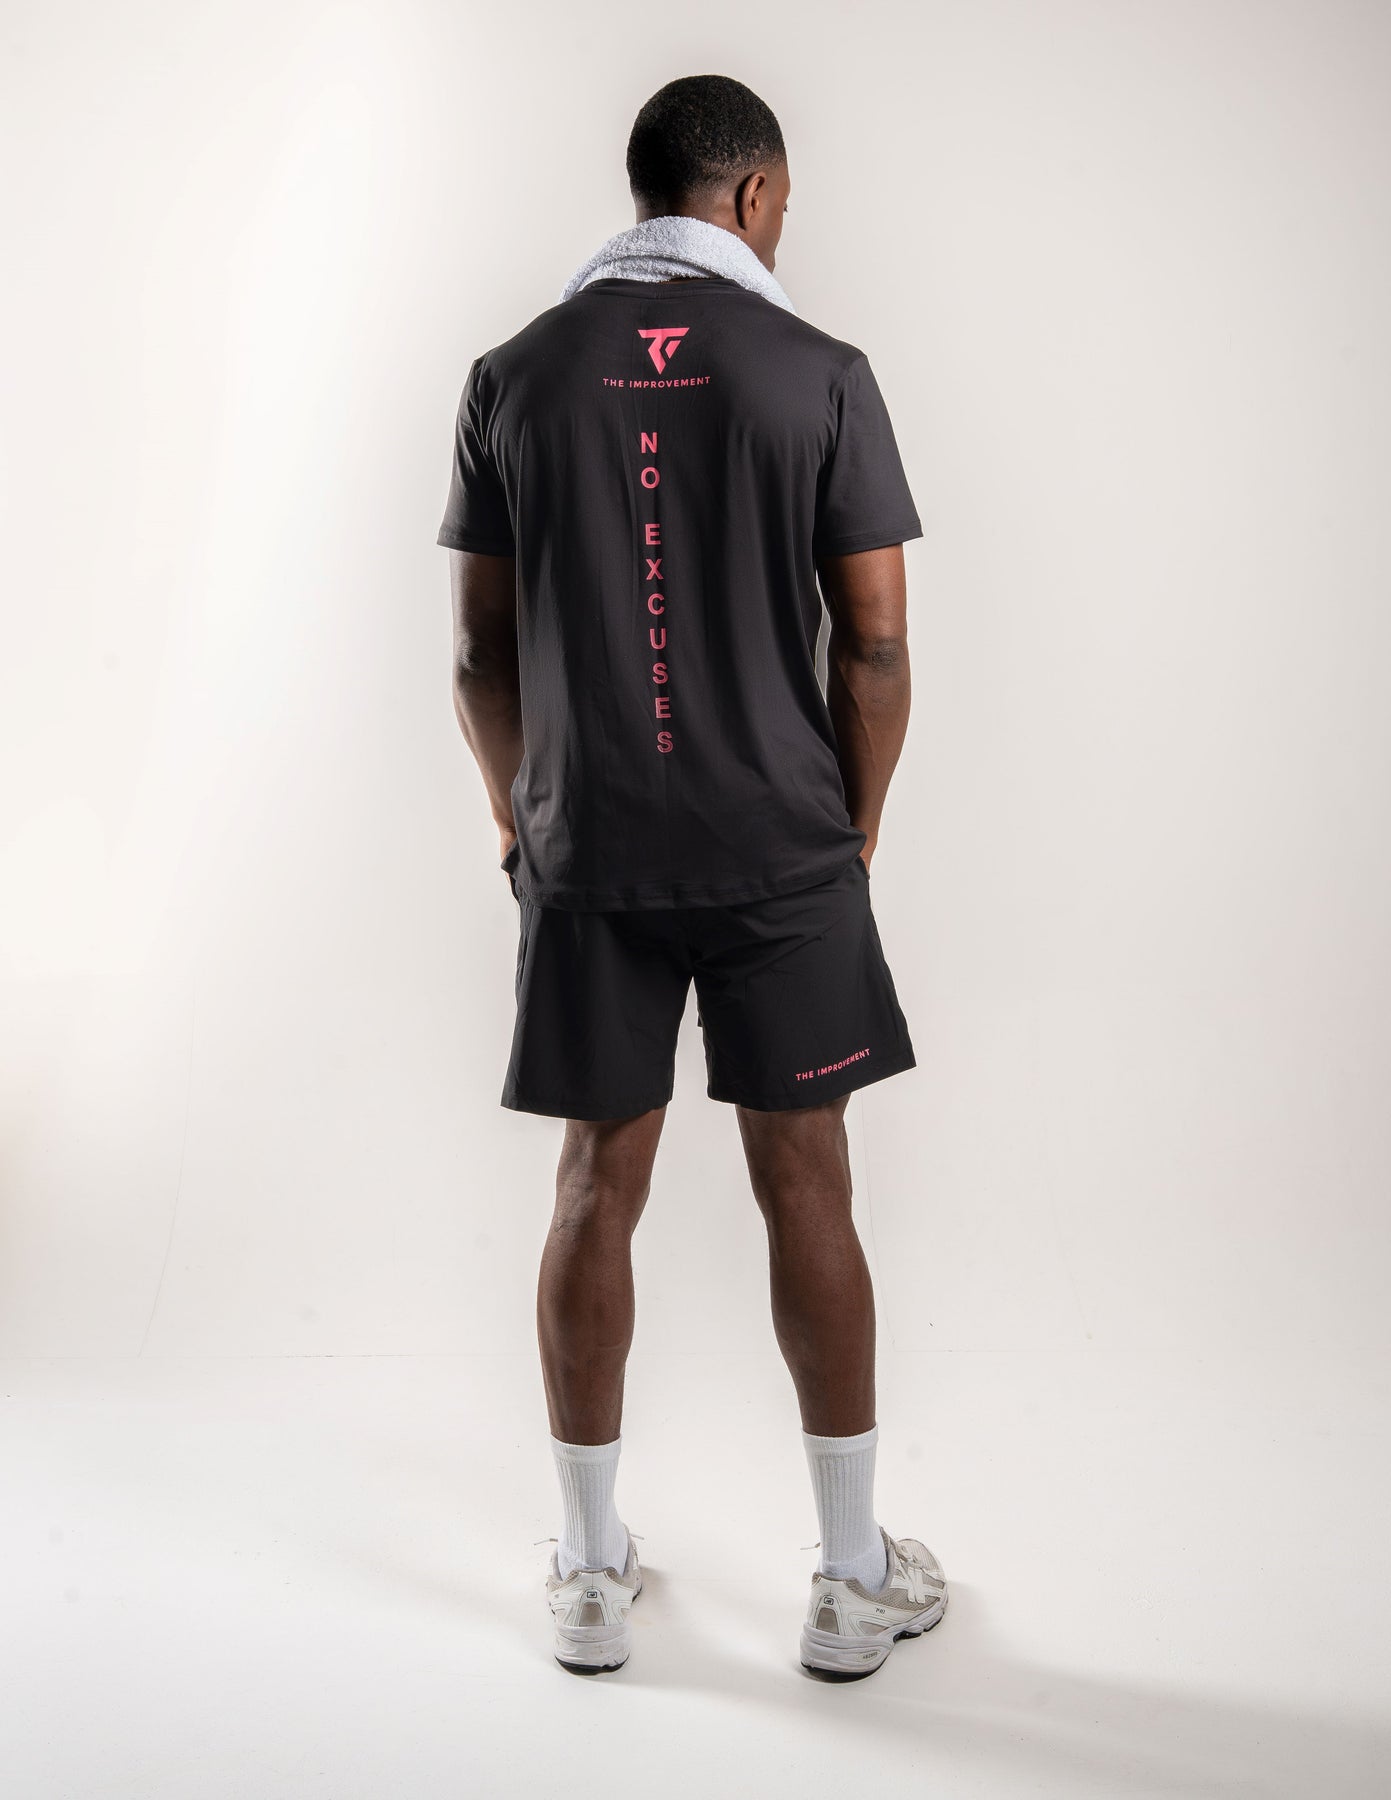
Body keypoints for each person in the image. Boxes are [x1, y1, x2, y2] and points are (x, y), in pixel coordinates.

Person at [437, 73, 948, 1680]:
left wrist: (521, 824)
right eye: (783, 207)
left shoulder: (514, 374)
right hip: (783, 848)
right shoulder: (820, 370)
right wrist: (856, 829)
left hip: (590, 847)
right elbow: (875, 644)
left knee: (596, 1185)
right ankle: (851, 1580)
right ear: (751, 195)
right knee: (811, 1182)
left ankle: (590, 1579)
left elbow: (479, 655)